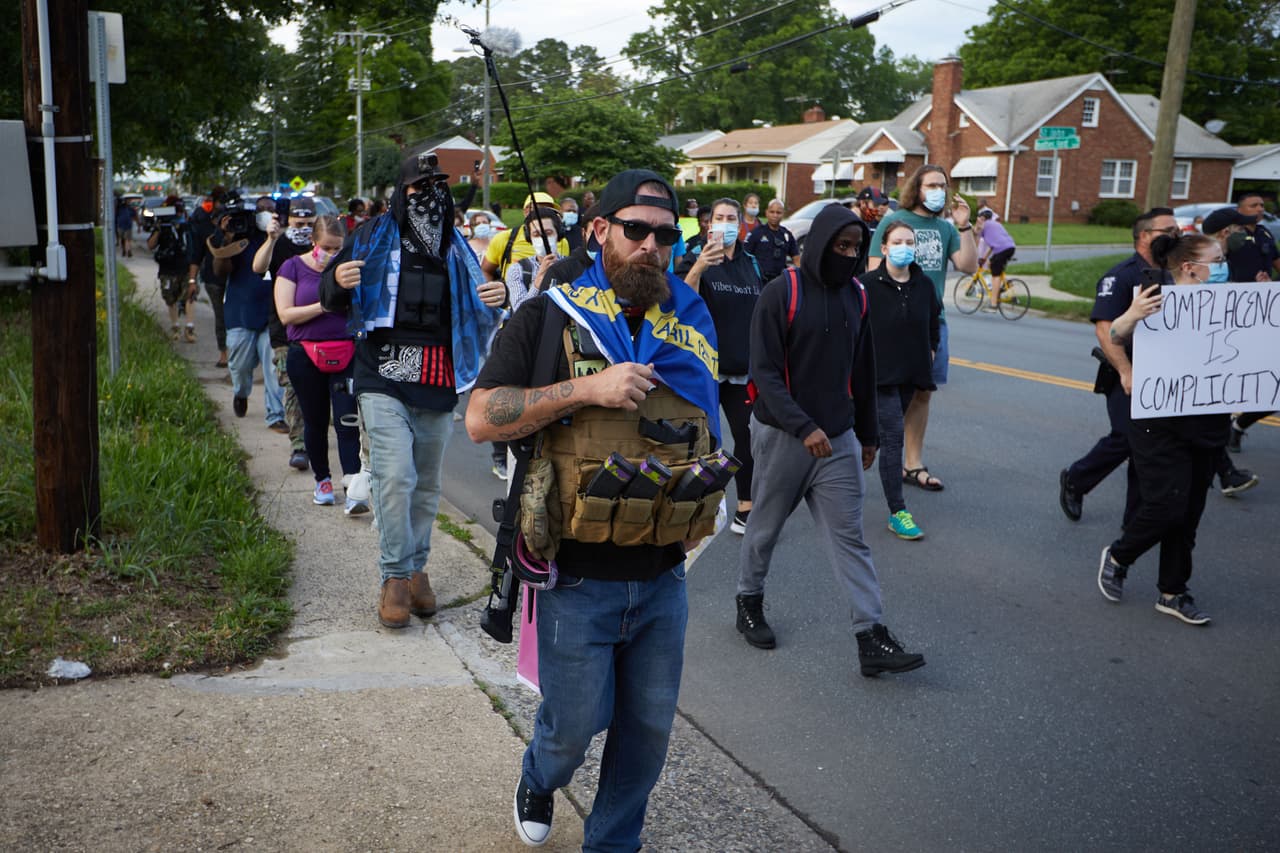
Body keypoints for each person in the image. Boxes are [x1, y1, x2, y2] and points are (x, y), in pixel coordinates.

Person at [466, 169, 720, 851]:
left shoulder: (690, 321)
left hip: (665, 571)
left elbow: (711, 425)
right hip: (577, 576)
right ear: (599, 229)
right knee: (573, 727)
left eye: (666, 235)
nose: (651, 245)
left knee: (646, 732)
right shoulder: (549, 316)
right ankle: (538, 775)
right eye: (636, 229)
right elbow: (482, 417)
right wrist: (588, 387)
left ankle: (612, 842)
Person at [735, 203, 925, 677]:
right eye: (841, 246)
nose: (848, 255)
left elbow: (862, 370)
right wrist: (804, 427)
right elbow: (764, 373)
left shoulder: (856, 296)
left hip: (837, 440)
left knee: (851, 539)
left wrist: (866, 434)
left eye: (856, 248)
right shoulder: (782, 292)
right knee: (765, 527)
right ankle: (749, 602)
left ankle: (871, 637)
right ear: (819, 243)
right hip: (784, 436)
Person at [319, 147, 504, 628]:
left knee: (426, 485)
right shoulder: (368, 237)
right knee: (396, 476)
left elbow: (482, 309)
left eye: (438, 187)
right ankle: (396, 576)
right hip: (380, 372)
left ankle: (418, 569)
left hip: (437, 376)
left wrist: (498, 295)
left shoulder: (458, 248)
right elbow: (331, 295)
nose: (429, 195)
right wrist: (337, 280)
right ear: (401, 194)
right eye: (419, 188)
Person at [1097, 233, 1232, 626]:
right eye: (1217, 259)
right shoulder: (1155, 297)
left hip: (1208, 419)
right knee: (1166, 504)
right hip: (1160, 420)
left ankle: (1173, 592)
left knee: (1189, 512)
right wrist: (1132, 315)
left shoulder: (1230, 302)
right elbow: (1116, 334)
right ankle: (1120, 555)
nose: (1223, 265)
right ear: (1190, 266)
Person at [868, 164, 977, 491]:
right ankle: (881, 451)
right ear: (917, 187)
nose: (939, 191)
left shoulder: (945, 228)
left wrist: (965, 226)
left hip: (932, 322)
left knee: (922, 393)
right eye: (932, 184)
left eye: (943, 185)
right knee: (888, 394)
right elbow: (874, 273)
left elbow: (968, 265)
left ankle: (912, 463)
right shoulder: (892, 223)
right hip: (893, 323)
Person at [678, 197, 764, 534]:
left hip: (742, 368)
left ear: (740, 223)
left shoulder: (751, 263)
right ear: (708, 223)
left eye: (732, 218)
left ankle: (746, 506)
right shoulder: (693, 255)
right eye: (719, 217)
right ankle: (693, 506)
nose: (725, 223)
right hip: (704, 368)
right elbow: (682, 303)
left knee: (747, 436)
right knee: (702, 440)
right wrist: (699, 266)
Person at [275, 215, 365, 512]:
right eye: (326, 246)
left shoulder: (350, 269)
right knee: (314, 422)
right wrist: (323, 305)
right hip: (305, 354)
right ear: (313, 241)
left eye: (338, 248)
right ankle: (322, 480)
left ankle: (352, 486)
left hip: (346, 353)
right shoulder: (293, 267)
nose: (331, 253)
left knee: (347, 421)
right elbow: (286, 315)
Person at [860, 220, 942, 540]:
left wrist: (932, 349)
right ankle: (898, 511)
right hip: (878, 376)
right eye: (897, 242)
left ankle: (829, 471)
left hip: (911, 373)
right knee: (894, 436)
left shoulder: (923, 285)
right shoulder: (866, 285)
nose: (904, 247)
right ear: (884, 247)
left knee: (877, 439)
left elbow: (933, 322)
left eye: (910, 242)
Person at [210, 194, 286, 430]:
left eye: (270, 210)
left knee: (274, 368)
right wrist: (226, 239)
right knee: (240, 367)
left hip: (271, 315)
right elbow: (220, 271)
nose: (265, 214)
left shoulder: (282, 241)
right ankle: (241, 392)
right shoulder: (241, 238)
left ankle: (276, 415)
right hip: (240, 312)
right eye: (260, 210)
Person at [255, 200, 318, 469]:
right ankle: (299, 446)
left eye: (308, 224)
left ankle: (313, 435)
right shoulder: (280, 245)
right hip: (285, 333)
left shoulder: (323, 245)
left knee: (317, 392)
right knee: (293, 387)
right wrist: (270, 239)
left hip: (320, 331)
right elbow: (258, 267)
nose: (302, 228)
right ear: (287, 220)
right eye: (298, 223)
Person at [481, 192, 568, 281]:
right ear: (526, 211)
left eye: (549, 211)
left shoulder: (561, 242)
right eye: (540, 210)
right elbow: (486, 270)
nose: (543, 214)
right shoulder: (504, 238)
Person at [188, 186, 230, 368]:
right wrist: (192, 280)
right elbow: (196, 254)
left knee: (236, 315)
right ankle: (224, 353)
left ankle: (240, 352)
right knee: (221, 316)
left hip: (235, 275)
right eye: (219, 201)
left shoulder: (238, 221)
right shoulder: (202, 223)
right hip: (213, 278)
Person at [146, 195, 197, 343]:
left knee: (190, 295)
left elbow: (193, 248)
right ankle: (175, 327)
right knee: (170, 298)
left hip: (185, 267)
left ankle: (189, 327)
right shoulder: (163, 227)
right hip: (167, 269)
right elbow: (150, 245)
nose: (178, 214)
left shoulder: (186, 226)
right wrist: (159, 229)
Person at [504, 209, 564, 313]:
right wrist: (538, 281)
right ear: (529, 238)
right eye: (536, 235)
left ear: (558, 234)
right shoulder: (517, 270)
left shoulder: (572, 265)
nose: (543, 239)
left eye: (548, 233)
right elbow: (520, 312)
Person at [743, 199, 800, 281]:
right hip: (759, 279)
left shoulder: (786, 235)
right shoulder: (756, 233)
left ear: (783, 214)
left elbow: (796, 258)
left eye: (778, 212)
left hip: (779, 280)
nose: (775, 215)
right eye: (772, 212)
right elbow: (745, 257)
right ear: (766, 213)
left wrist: (798, 277)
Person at [1227, 192, 1280, 282]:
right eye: (1253, 206)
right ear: (1239, 210)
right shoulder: (1230, 234)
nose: (1260, 209)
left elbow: (1276, 259)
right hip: (1237, 292)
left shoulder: (1264, 232)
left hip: (1266, 290)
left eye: (1262, 206)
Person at [974, 208, 1016, 308]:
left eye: (979, 218)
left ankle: (993, 303)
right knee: (991, 264)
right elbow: (992, 245)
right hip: (1010, 247)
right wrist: (984, 258)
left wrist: (976, 256)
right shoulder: (995, 224)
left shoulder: (983, 225)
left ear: (982, 218)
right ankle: (1005, 287)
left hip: (1002, 249)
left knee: (995, 275)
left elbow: (976, 240)